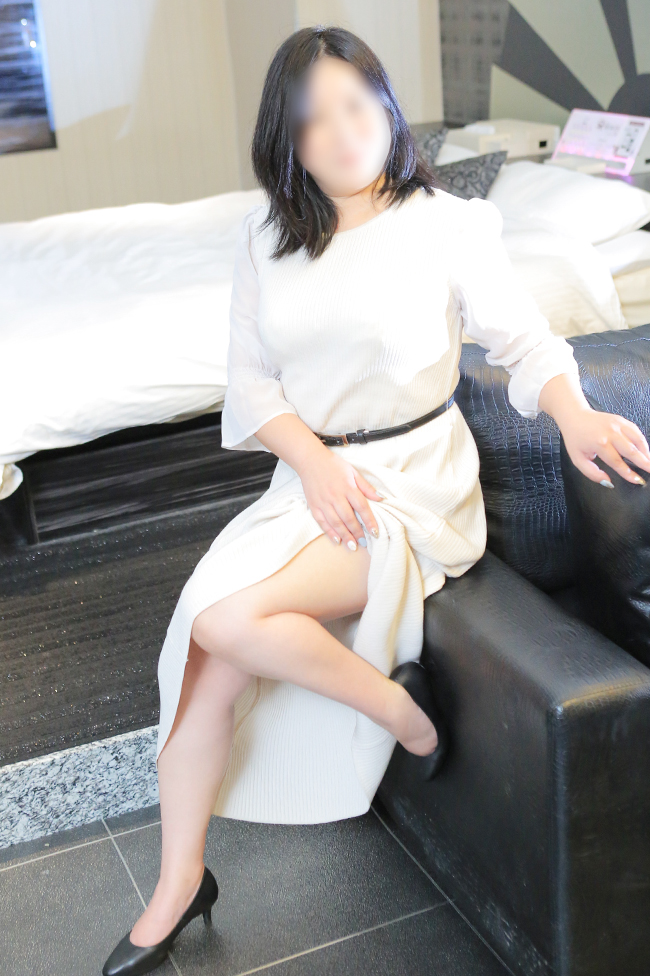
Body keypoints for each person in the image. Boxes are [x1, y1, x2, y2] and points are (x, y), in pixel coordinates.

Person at [102, 25, 650, 976]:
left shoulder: (446, 224)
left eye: (357, 104)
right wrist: (314, 464)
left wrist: (576, 416)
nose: (342, 130)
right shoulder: (266, 239)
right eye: (314, 117)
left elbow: (525, 342)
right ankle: (179, 882)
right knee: (202, 655)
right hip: (311, 481)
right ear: (288, 140)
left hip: (411, 485)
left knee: (228, 618)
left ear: (388, 109)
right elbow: (252, 387)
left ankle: (403, 717)